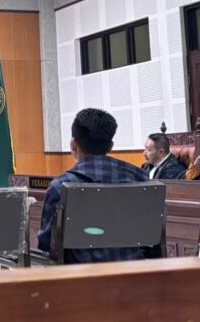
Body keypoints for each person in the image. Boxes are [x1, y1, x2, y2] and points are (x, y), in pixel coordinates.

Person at [37, 108, 148, 264]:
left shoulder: (60, 186)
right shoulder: (140, 178)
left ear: (73, 144)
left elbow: (47, 242)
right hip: (134, 270)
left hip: (82, 275)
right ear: (110, 146)